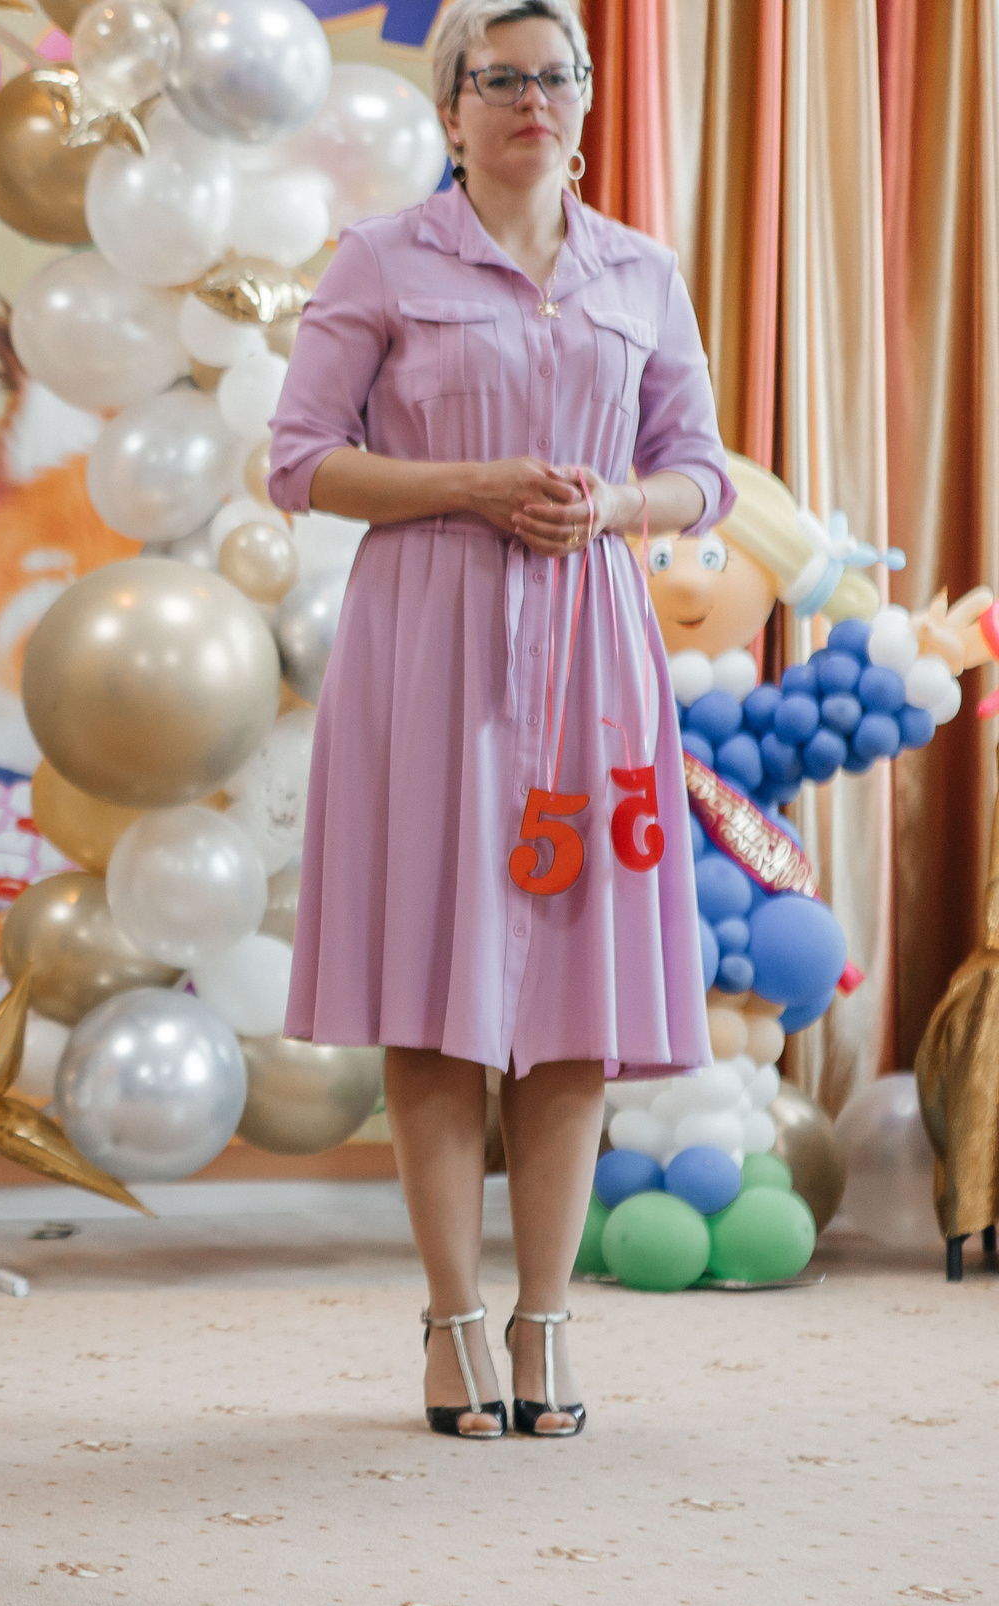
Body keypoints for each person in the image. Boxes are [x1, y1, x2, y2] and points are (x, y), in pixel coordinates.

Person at [265, 0, 733, 1441]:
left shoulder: (641, 271)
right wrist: (470, 484)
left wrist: (619, 504)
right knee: (440, 996)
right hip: (432, 650)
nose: (534, 98)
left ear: (588, 102)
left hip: (594, 650)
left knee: (579, 997)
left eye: (558, 75)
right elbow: (298, 463)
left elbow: (699, 473)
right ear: (451, 106)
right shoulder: (383, 257)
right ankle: (452, 1319)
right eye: (502, 77)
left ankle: (546, 1320)